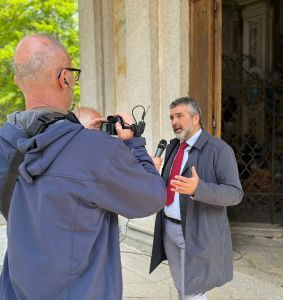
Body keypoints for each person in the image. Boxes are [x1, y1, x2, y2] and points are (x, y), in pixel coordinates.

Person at [0, 34, 166, 300]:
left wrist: (81, 136)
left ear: (18, 82)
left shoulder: (4, 143)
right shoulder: (96, 150)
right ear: (63, 77)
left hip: (17, 291)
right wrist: (134, 145)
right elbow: (152, 198)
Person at [150, 97, 244, 300]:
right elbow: (169, 188)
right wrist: (153, 172)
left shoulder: (219, 150)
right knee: (182, 287)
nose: (174, 122)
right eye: (172, 117)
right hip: (169, 229)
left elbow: (235, 193)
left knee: (194, 290)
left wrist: (199, 189)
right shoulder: (173, 147)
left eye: (180, 116)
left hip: (196, 233)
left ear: (195, 118)